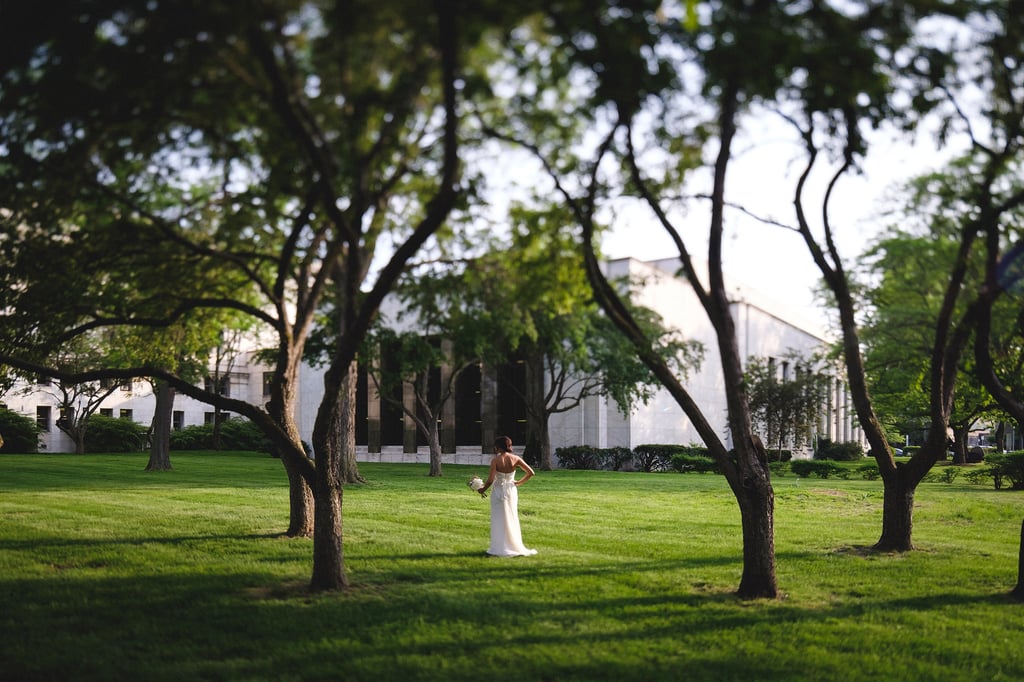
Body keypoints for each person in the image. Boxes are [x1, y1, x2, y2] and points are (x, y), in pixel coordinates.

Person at [478, 435, 537, 557]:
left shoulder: (495, 460)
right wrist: (518, 483)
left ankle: (499, 547)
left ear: (498, 447)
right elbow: (531, 473)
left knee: (498, 518)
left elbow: (490, 480)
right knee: (511, 515)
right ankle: (514, 545)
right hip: (511, 490)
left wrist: (482, 489)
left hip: (498, 491)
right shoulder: (516, 458)